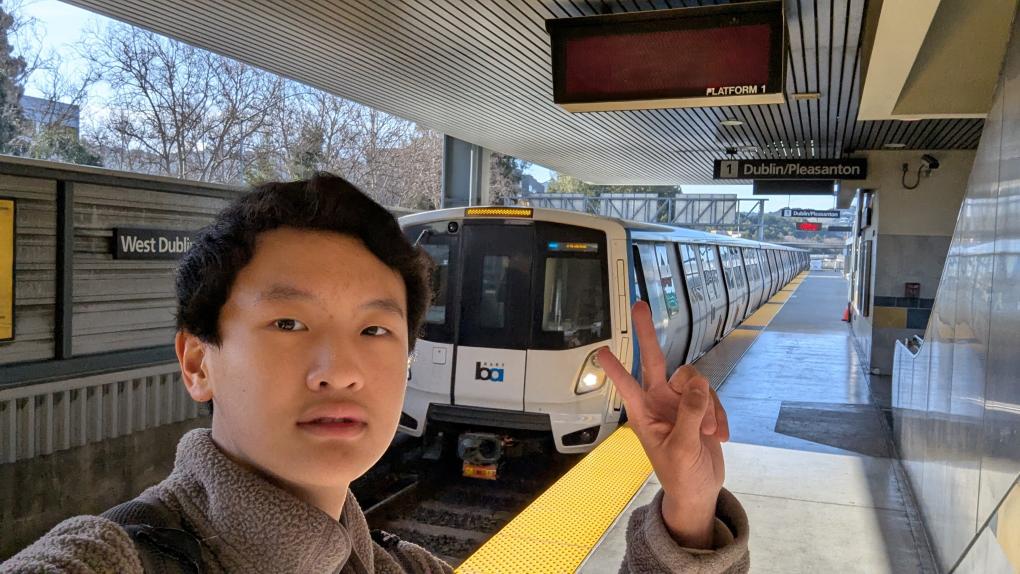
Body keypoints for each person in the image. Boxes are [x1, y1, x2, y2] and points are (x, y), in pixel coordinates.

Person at [2, 173, 748, 573]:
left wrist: (687, 509)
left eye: (375, 329)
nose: (342, 370)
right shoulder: (112, 559)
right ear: (199, 361)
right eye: (290, 324)